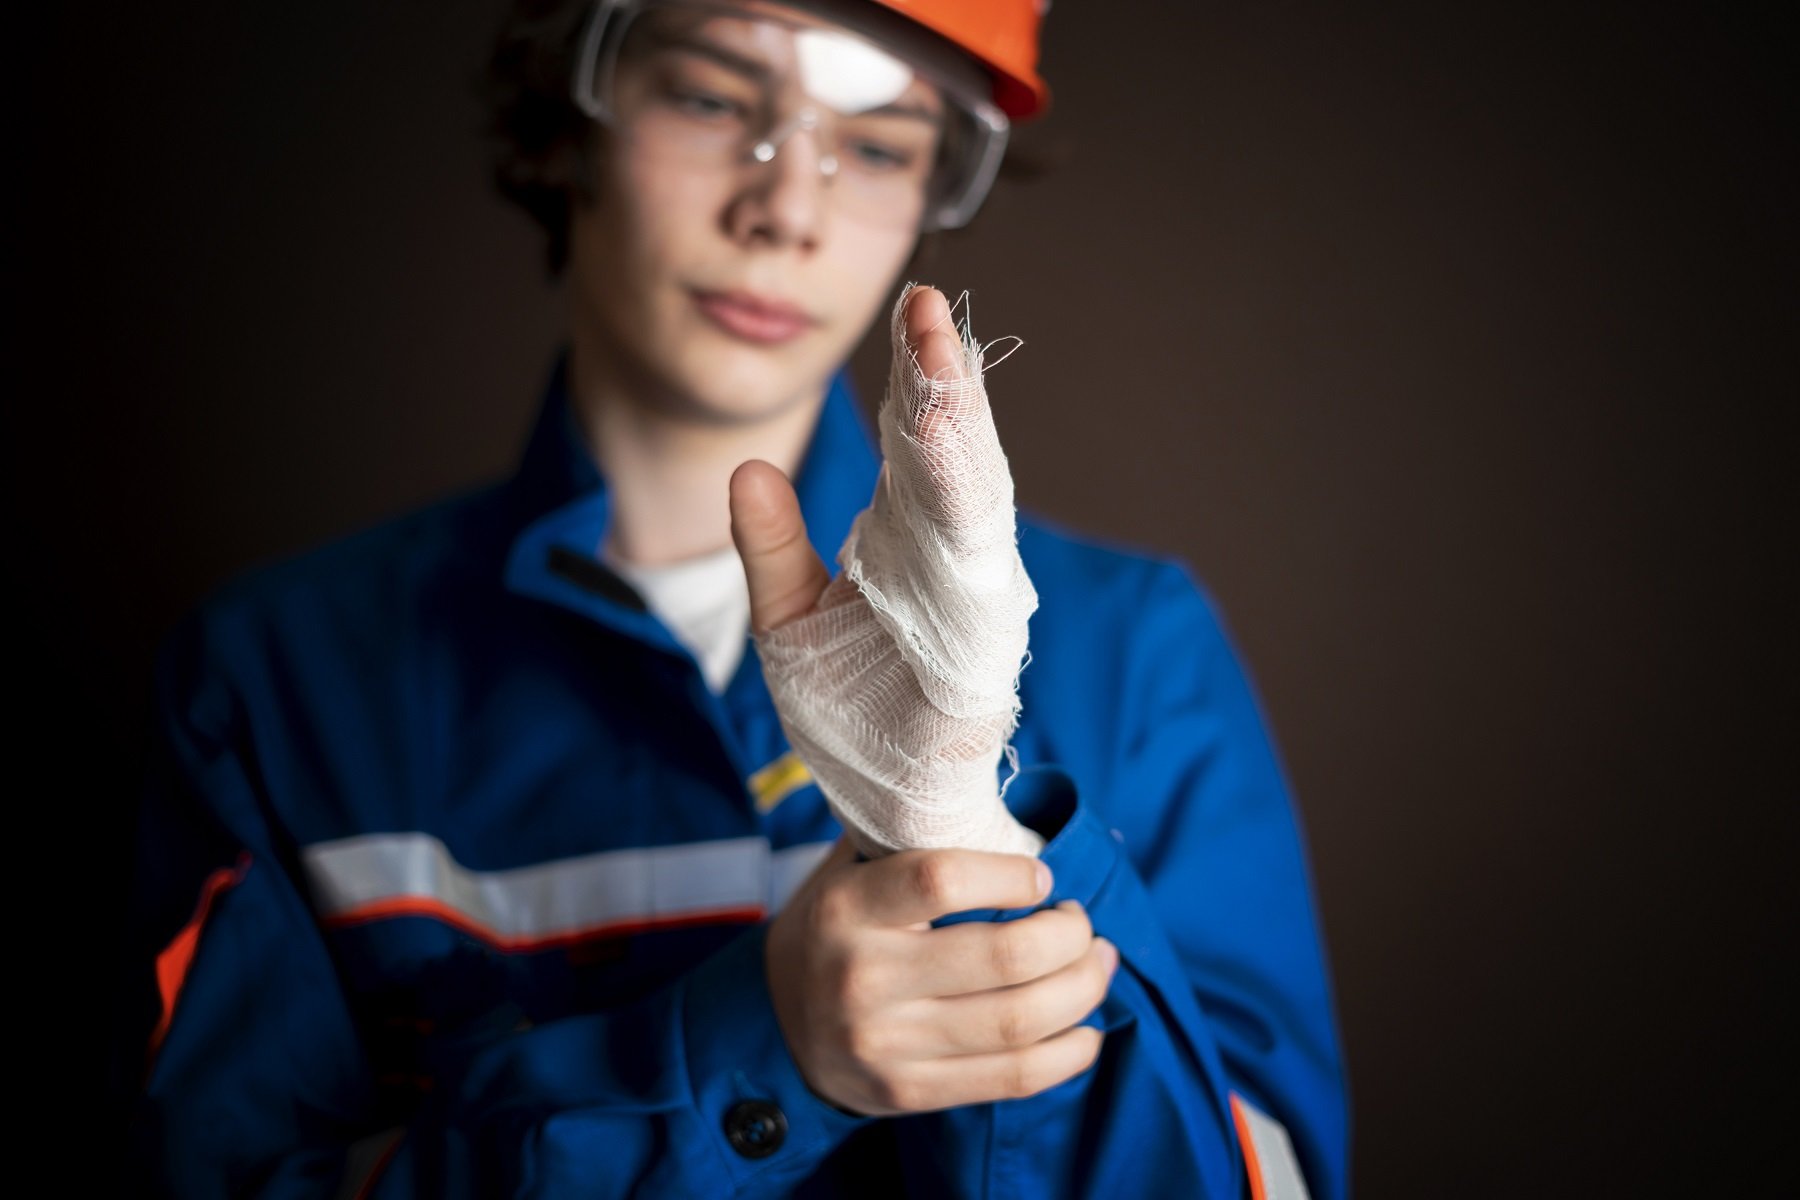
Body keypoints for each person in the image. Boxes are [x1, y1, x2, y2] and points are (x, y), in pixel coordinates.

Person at [121, 0, 1348, 1195]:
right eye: (712, 96)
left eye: (875, 144)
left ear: (934, 188)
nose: (786, 211)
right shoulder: (272, 682)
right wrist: (764, 1047)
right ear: (574, 106)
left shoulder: (1138, 653)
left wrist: (962, 832)